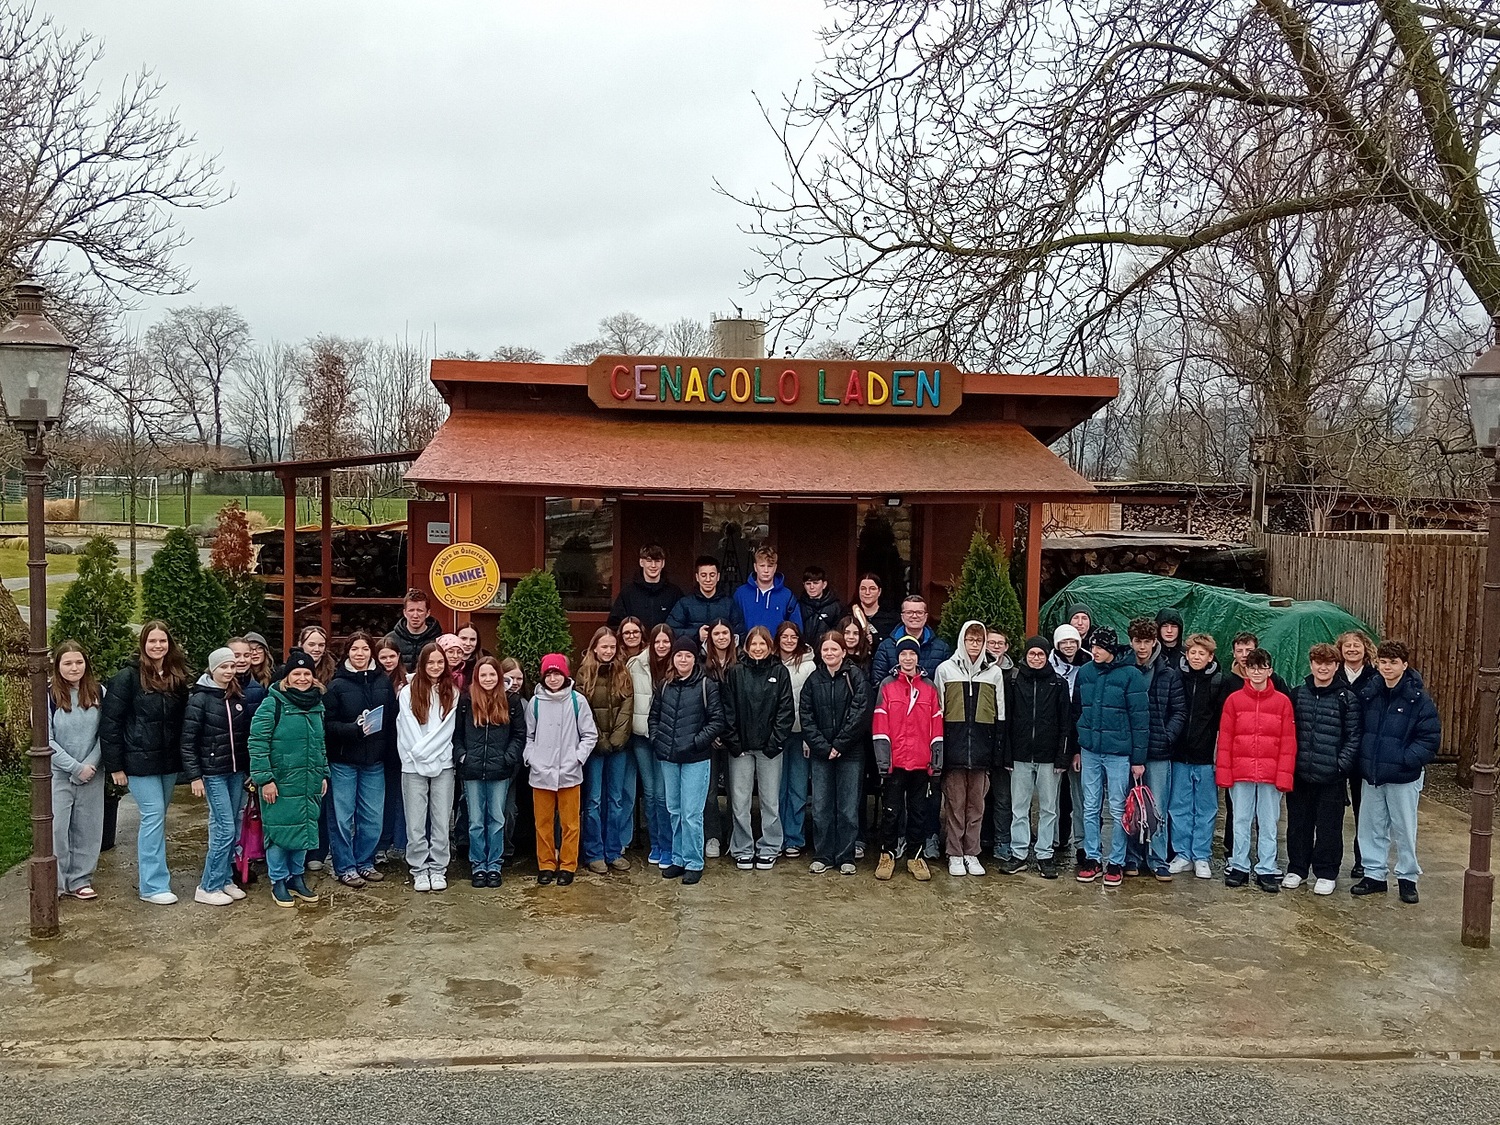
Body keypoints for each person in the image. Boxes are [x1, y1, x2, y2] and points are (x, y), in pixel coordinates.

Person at [101, 622, 190, 905]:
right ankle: (152, 885)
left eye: (162, 641)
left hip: (167, 761)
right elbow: (111, 723)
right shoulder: (127, 678)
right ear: (143, 644)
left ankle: (156, 877)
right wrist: (115, 766)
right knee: (152, 815)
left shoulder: (176, 676)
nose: (157, 646)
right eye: (152, 641)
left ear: (169, 644)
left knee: (158, 818)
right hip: (138, 760)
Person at [1352, 640, 1440, 904]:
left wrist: (1405, 760)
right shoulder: (1370, 695)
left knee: (1404, 828)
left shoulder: (1418, 699)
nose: (1387, 667)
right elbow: (1359, 729)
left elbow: (1429, 738)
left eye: (1393, 662)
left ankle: (1407, 878)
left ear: (1404, 665)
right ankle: (1374, 874)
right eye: (1383, 662)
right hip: (1373, 774)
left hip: (1403, 776)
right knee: (1371, 827)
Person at [248, 650, 329, 908]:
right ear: (287, 677)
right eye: (297, 673)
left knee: (303, 831)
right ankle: (278, 880)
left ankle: (297, 877)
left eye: (307, 673)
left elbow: (320, 744)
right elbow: (257, 743)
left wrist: (323, 773)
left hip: (308, 781)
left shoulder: (317, 705)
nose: (302, 678)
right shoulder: (272, 704)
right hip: (281, 782)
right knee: (279, 833)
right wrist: (265, 779)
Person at [1216, 648, 1297, 892]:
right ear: (1246, 671)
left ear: (1270, 670)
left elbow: (1288, 742)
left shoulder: (1283, 702)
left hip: (1271, 774)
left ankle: (1266, 867)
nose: (1257, 672)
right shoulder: (1234, 701)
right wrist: (1224, 772)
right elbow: (1225, 739)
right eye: (1252, 667)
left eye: (1262, 667)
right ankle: (1239, 865)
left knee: (1269, 822)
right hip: (1241, 772)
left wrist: (1284, 775)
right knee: (1240, 820)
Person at [1073, 627, 1148, 888]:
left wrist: (1138, 759)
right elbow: (1076, 711)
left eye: (1100, 647)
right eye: (1093, 646)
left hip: (1118, 753)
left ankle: (1116, 861)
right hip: (1090, 750)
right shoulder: (1085, 672)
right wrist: (1076, 748)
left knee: (1118, 808)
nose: (1094, 651)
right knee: (1090, 806)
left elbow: (1140, 720)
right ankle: (1092, 858)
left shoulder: (1131, 675)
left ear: (1111, 649)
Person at [1286, 643, 1363, 895]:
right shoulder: (1298, 694)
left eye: (1328, 663)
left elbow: (1353, 736)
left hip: (1331, 777)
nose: (1323, 667)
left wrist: (1340, 766)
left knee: (1329, 827)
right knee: (1298, 825)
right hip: (1300, 774)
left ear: (1336, 666)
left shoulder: (1347, 698)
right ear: (1311, 665)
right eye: (1318, 662)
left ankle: (1327, 873)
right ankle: (1297, 869)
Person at [181, 646, 254, 907]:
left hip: (235, 772)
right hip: (213, 773)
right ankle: (208, 885)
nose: (229, 671)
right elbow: (188, 741)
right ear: (213, 669)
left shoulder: (236, 696)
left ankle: (224, 879)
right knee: (224, 828)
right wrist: (194, 776)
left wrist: (249, 769)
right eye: (223, 667)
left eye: (232, 666)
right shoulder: (200, 699)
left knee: (233, 825)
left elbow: (244, 737)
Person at [650, 636, 727, 884]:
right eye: (679, 655)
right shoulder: (664, 686)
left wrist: (695, 743)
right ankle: (679, 858)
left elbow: (717, 721)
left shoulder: (706, 685)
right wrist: (657, 740)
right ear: (673, 658)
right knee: (674, 810)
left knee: (691, 813)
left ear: (695, 659)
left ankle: (694, 861)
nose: (683, 659)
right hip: (669, 758)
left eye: (688, 655)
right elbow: (654, 717)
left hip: (696, 758)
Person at [324, 631, 396, 889]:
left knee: (373, 818)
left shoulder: (383, 682)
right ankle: (345, 866)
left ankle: (365, 861)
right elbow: (327, 724)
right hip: (344, 761)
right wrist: (353, 729)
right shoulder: (336, 685)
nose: (360, 653)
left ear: (371, 652)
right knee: (342, 818)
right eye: (355, 649)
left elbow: (392, 720)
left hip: (374, 761)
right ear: (348, 652)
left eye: (365, 649)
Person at [933, 620, 1005, 877]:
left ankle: (971, 852)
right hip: (954, 749)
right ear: (962, 640)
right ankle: (954, 853)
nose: (974, 644)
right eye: (970, 639)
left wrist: (996, 751)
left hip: (982, 751)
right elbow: (938, 711)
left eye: (978, 640)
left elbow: (1000, 713)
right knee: (955, 804)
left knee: (977, 805)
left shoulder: (994, 673)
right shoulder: (945, 669)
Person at [723, 625, 795, 870]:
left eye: (762, 643)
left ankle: (770, 846)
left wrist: (774, 744)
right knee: (740, 801)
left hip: (769, 750)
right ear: (746, 647)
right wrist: (735, 743)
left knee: (770, 801)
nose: (757, 648)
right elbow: (728, 709)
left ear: (770, 646)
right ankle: (742, 847)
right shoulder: (735, 672)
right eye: (753, 643)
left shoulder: (779, 672)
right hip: (741, 750)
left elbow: (786, 710)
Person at [871, 635, 943, 882]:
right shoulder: (887, 685)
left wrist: (936, 761)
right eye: (904, 654)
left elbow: (936, 727)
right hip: (895, 762)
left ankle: (915, 856)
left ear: (918, 657)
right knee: (891, 811)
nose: (908, 658)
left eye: (912, 653)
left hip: (921, 763)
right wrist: (884, 761)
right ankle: (887, 854)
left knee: (918, 812)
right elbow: (880, 725)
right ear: (898, 657)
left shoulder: (929, 688)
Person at [526, 653, 598, 886]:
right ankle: (546, 864)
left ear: (565, 675)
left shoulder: (577, 701)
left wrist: (577, 758)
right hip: (541, 772)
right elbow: (528, 735)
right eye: (549, 674)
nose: (553, 679)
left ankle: (568, 864)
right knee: (543, 823)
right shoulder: (536, 703)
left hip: (569, 772)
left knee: (570, 823)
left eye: (557, 674)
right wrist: (532, 758)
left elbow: (589, 735)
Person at [802, 631, 871, 875]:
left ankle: (845, 856)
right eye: (826, 649)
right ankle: (823, 855)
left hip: (850, 752)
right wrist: (823, 747)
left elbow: (860, 713)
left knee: (848, 808)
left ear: (843, 651)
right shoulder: (813, 680)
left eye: (834, 649)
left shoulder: (856, 676)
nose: (830, 653)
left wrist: (839, 745)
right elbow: (806, 716)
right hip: (821, 753)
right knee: (821, 807)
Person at [454, 655, 526, 887]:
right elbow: (457, 735)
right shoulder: (466, 700)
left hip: (500, 770)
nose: (488, 678)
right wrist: (462, 757)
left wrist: (509, 758)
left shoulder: (511, 701)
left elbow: (519, 734)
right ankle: (478, 865)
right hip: (472, 769)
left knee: (496, 819)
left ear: (499, 676)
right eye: (483, 674)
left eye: (492, 674)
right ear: (476, 677)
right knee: (476, 820)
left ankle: (494, 864)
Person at [1005, 636, 1074, 879]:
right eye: (1032, 654)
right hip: (1020, 755)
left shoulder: (1058, 683)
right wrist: (1007, 754)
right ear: (1026, 656)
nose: (1036, 658)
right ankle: (1019, 853)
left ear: (1047, 656)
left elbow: (1066, 723)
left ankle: (1045, 854)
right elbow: (1007, 720)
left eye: (1041, 654)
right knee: (1019, 808)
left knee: (1048, 809)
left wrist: (1062, 756)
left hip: (1049, 757)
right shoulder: (1014, 682)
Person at [1124, 616, 1185, 881]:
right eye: (1138, 641)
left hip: (1158, 751)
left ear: (1154, 642)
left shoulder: (1168, 673)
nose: (1142, 647)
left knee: (1157, 806)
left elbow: (1179, 710)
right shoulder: (1123, 670)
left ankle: (1158, 859)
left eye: (1147, 641)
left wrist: (1166, 735)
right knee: (1130, 804)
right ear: (1131, 642)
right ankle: (1132, 857)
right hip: (1128, 750)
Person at [1168, 633, 1232, 880]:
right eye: (1192, 652)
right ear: (1186, 654)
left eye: (1201, 653)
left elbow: (1222, 721)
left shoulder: (1218, 682)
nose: (1196, 657)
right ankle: (1182, 854)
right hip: (1179, 754)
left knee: (1206, 808)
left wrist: (1217, 753)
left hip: (1206, 756)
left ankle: (1201, 856)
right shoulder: (1176, 677)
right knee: (1179, 806)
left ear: (1210, 657)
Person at [397, 642, 459, 892]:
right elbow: (408, 729)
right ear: (422, 664)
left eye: (440, 662)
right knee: (415, 822)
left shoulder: (452, 692)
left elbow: (446, 730)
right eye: (430, 662)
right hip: (413, 764)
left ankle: (438, 868)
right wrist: (421, 756)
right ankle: (419, 869)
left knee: (441, 820)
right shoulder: (407, 692)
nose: (435, 666)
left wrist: (431, 757)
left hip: (443, 764)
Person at [48, 642, 105, 901]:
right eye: (68, 663)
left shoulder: (99, 693)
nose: (74, 668)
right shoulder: (47, 696)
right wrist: (74, 767)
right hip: (59, 774)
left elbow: (106, 733)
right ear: (58, 666)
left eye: (79, 662)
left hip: (92, 772)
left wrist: (89, 765)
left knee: (88, 828)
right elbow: (46, 740)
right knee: (57, 830)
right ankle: (57, 883)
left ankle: (80, 879)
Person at [578, 627, 635, 874]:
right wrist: (599, 739)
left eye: (612, 647)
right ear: (595, 648)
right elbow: (583, 709)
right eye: (604, 646)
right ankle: (594, 853)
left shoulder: (623, 672)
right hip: (594, 747)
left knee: (616, 799)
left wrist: (618, 737)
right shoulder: (584, 673)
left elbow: (627, 706)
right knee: (593, 800)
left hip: (619, 746)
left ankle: (613, 850)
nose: (609, 651)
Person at [627, 624, 675, 867]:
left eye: (666, 641)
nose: (662, 646)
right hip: (642, 737)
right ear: (651, 643)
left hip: (667, 738)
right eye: (658, 641)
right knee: (650, 794)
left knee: (663, 795)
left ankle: (668, 845)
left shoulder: (679, 665)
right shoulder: (635, 665)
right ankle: (655, 843)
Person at [1335, 628, 1378, 879]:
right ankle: (1330, 862)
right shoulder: (1333, 675)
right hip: (1337, 751)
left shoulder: (1375, 677)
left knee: (1365, 811)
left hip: (1364, 752)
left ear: (1365, 649)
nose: (1352, 649)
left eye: (1356, 645)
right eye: (1347, 646)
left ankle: (1362, 860)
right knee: (1334, 810)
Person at [776, 621, 818, 858]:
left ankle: (794, 837)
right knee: (777, 789)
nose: (789, 641)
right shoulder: (771, 662)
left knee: (798, 788)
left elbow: (812, 703)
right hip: (777, 734)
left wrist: (809, 736)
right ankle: (776, 836)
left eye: (793, 637)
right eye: (785, 636)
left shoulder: (809, 665)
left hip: (801, 733)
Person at [1050, 622, 1089, 865]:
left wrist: (1078, 747)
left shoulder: (1087, 666)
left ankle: (1083, 843)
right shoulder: (1048, 665)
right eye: (1063, 641)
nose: (1068, 646)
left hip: (1079, 738)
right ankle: (1053, 840)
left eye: (1072, 641)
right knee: (1053, 797)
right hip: (1054, 738)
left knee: (1081, 796)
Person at [700, 618, 738, 858]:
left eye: (725, 633)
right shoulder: (702, 665)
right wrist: (712, 732)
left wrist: (729, 733)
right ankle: (712, 836)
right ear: (710, 638)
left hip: (735, 736)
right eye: (717, 633)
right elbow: (699, 702)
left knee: (737, 791)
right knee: (710, 790)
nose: (721, 637)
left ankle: (736, 835)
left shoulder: (741, 663)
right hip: (709, 738)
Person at [373, 635, 409, 864]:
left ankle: (401, 843)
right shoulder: (373, 680)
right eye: (383, 657)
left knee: (400, 797)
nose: (388, 661)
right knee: (381, 799)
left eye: (391, 656)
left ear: (399, 656)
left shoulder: (407, 681)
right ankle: (381, 843)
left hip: (402, 747)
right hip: (379, 747)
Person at [983, 627, 1016, 865]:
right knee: (980, 796)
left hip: (1006, 743)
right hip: (982, 741)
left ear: (1006, 647)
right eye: (991, 642)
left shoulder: (1015, 675)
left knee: (1003, 797)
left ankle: (1002, 841)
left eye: (1000, 643)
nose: (995, 647)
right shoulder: (977, 671)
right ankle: (982, 838)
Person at [871, 595, 954, 683]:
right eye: (909, 612)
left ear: (926, 616)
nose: (914, 616)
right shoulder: (886, 647)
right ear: (902, 616)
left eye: (919, 612)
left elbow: (946, 682)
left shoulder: (942, 649)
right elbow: (878, 683)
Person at [667, 556, 745, 642]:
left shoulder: (729, 604)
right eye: (703, 575)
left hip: (722, 650)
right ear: (697, 577)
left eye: (712, 575)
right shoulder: (684, 603)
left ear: (718, 577)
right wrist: (697, 634)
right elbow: (670, 631)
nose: (708, 580)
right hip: (694, 650)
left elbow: (740, 633)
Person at [609, 543, 685, 630]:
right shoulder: (627, 593)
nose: (653, 565)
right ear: (641, 562)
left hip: (664, 639)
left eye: (657, 561)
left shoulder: (674, 593)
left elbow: (682, 624)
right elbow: (614, 624)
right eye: (649, 561)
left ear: (663, 563)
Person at [734, 544, 803, 636]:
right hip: (748, 644)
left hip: (777, 645)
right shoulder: (741, 594)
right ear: (755, 567)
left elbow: (796, 628)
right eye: (762, 566)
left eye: (770, 566)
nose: (766, 570)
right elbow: (734, 625)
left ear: (775, 567)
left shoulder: (787, 595)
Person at [391, 588, 443, 671]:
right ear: (404, 613)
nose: (415, 615)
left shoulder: (439, 640)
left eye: (420, 610)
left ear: (428, 613)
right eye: (411, 610)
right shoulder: (391, 640)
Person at [851, 572, 900, 648]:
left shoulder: (891, 618)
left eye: (872, 589)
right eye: (863, 589)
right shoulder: (848, 614)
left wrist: (876, 638)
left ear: (879, 591)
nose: (867, 593)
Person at [796, 567, 845, 642]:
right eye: (808, 583)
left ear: (824, 584)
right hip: (803, 648)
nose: (812, 587)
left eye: (816, 583)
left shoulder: (836, 607)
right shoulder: (798, 606)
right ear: (803, 585)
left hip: (827, 648)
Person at [228, 636, 269, 715]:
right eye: (236, 656)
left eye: (246, 655)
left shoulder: (258, 690)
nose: (242, 660)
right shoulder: (214, 686)